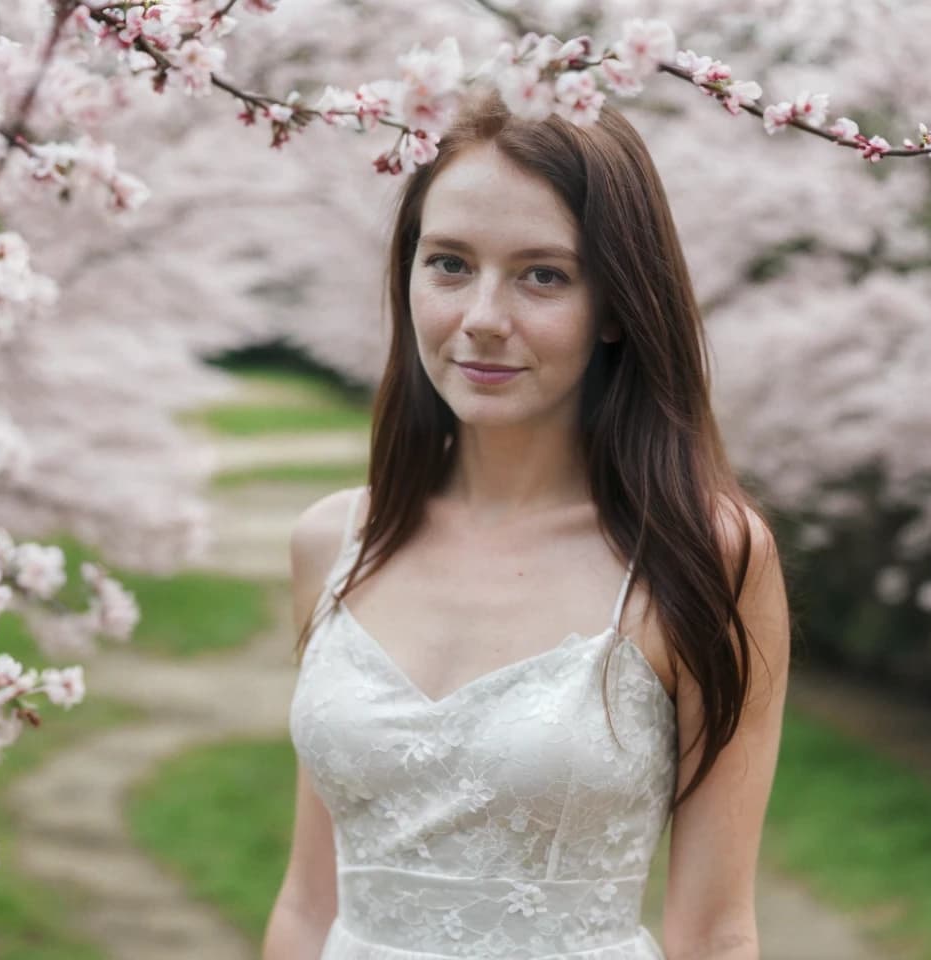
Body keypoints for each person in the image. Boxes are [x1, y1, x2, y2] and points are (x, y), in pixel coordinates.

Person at [263, 88, 791, 960]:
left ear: (618, 305)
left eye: (543, 274)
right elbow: (307, 905)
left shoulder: (701, 558)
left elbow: (718, 934)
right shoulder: (333, 546)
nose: (481, 320)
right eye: (449, 264)